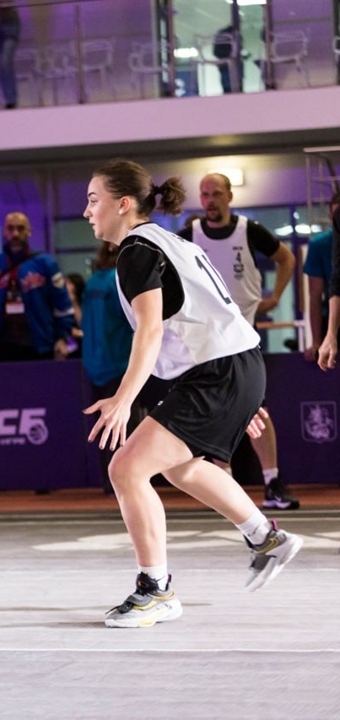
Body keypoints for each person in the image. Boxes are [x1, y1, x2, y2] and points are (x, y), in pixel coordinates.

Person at [82, 158, 302, 628]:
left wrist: (123, 399)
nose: (87, 211)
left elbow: (151, 331)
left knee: (126, 468)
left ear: (123, 204)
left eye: (94, 200)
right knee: (179, 466)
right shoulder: (172, 241)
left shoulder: (137, 250)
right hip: (234, 366)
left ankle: (156, 590)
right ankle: (265, 537)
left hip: (220, 371)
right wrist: (241, 393)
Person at [176, 173, 299, 511]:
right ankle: (224, 485)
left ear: (229, 196)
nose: (210, 200)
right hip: (206, 339)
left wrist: (275, 297)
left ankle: (272, 482)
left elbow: (287, 258)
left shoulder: (249, 230)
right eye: (204, 195)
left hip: (244, 336)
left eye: (216, 193)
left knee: (255, 407)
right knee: (216, 409)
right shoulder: (189, 235)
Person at [0, 211, 75, 362]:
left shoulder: (45, 264)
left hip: (39, 345)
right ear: (4, 231)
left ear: (29, 231)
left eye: (20, 228)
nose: (15, 234)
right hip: (1, 345)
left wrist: (62, 337)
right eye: (10, 228)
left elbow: (62, 304)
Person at [80, 242, 138, 494]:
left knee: (104, 427)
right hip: (119, 363)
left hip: (94, 364)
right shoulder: (119, 281)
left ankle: (110, 482)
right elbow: (136, 321)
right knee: (123, 426)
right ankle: (126, 481)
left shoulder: (93, 282)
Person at [304, 191, 340, 363]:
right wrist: (316, 341)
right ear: (331, 216)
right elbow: (315, 296)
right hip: (333, 315)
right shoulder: (319, 244)